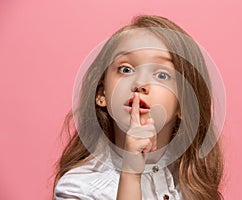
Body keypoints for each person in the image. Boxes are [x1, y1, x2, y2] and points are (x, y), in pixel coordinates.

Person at [53, 15, 224, 200]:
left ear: (183, 103)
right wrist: (131, 173)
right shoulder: (79, 188)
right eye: (126, 69)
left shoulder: (189, 182)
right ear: (101, 93)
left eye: (162, 75)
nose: (140, 83)